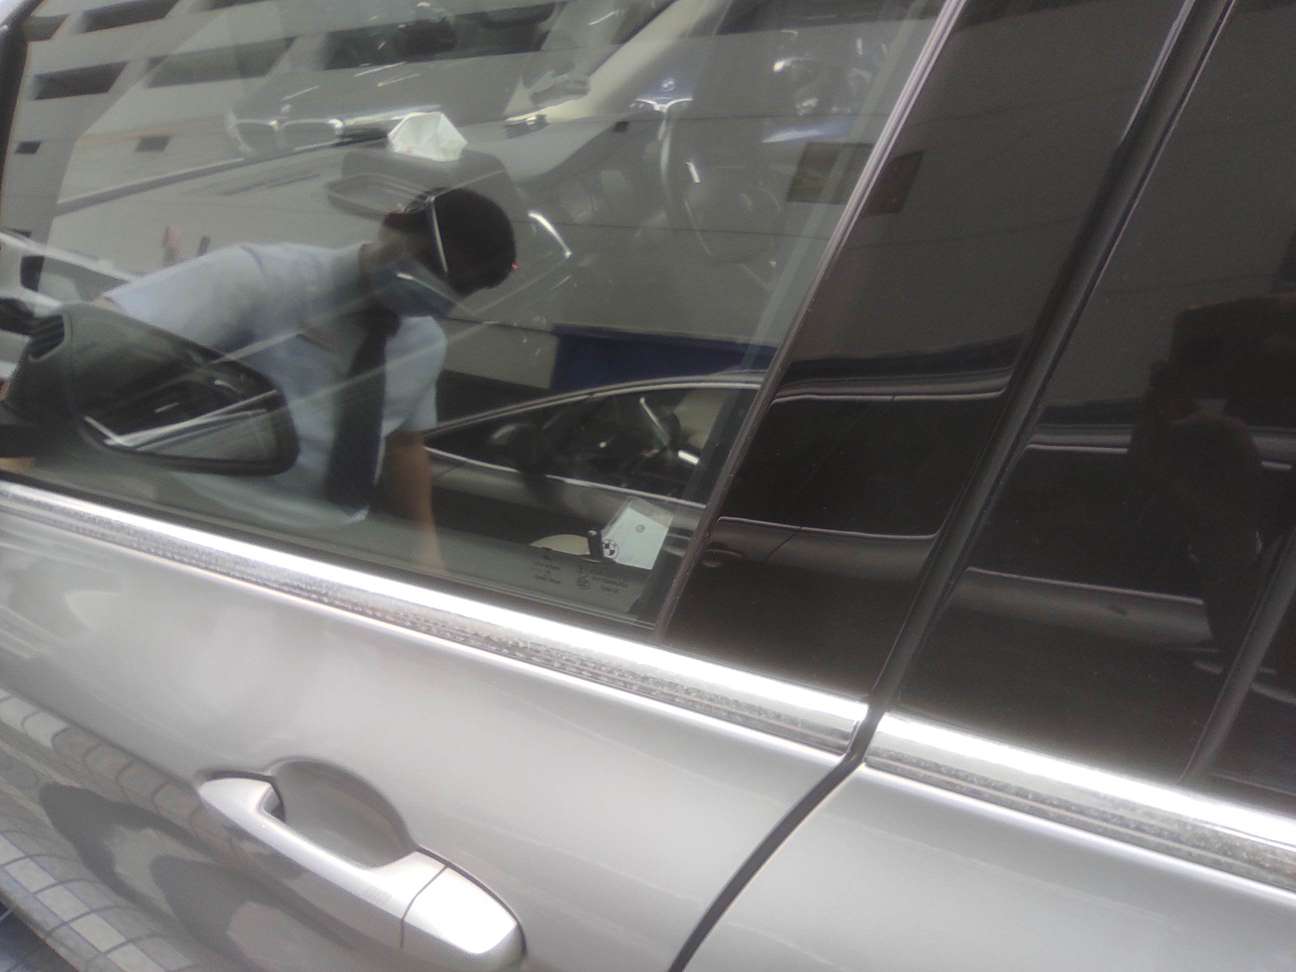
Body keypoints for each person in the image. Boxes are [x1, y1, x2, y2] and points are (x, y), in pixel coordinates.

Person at [101, 187, 517, 567]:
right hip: (207, 509)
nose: (435, 286)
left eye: (457, 285)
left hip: (331, 537)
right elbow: (106, 326)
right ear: (392, 226)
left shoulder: (426, 344)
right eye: (430, 264)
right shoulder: (265, 278)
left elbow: (404, 446)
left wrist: (426, 549)